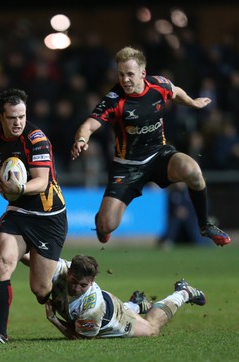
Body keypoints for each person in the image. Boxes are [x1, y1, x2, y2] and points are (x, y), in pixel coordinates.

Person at [71, 46, 231, 247]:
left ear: (143, 74)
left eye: (130, 74)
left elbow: (175, 91)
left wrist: (192, 103)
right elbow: (88, 125)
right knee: (106, 225)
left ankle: (205, 225)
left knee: (193, 171)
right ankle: (101, 224)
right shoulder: (114, 100)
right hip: (127, 166)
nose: (125, 79)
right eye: (121, 74)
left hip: (159, 155)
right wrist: (81, 140)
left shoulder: (158, 85)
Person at [0, 88, 68, 344]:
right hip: (17, 213)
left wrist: (20, 188)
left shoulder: (36, 139)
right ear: (0, 117)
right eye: (12, 117)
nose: (18, 123)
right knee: (1, 261)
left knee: (40, 290)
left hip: (48, 216)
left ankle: (54, 265)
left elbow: (42, 182)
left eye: (22, 116)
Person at [41, 254, 206, 339]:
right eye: (74, 281)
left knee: (152, 329)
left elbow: (79, 337)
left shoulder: (93, 309)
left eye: (83, 285)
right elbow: (35, 260)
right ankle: (135, 305)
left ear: (92, 281)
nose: (76, 288)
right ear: (69, 271)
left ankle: (184, 292)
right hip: (107, 302)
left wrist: (54, 319)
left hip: (113, 318)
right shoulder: (61, 268)